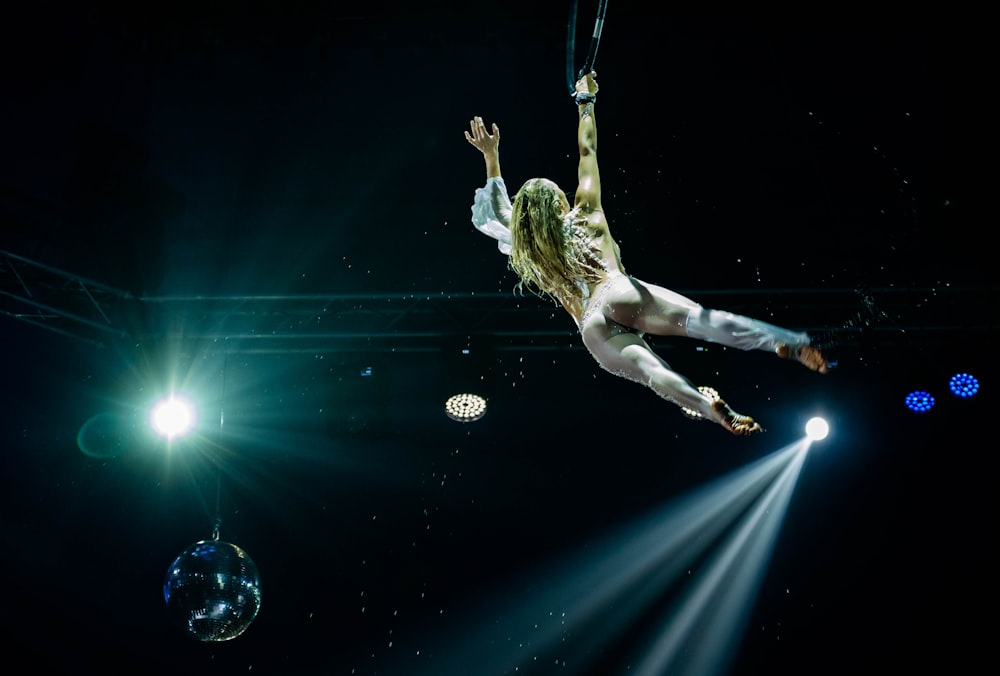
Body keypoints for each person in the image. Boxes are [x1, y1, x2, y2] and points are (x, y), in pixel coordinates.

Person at [464, 71, 829, 436]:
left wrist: (491, 159)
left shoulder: (538, 257)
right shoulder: (585, 212)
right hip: (615, 291)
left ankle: (707, 407)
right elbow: (586, 150)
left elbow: (498, 213)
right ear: (558, 200)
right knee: (701, 321)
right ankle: (787, 343)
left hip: (592, 329)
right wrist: (585, 103)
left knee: (654, 374)